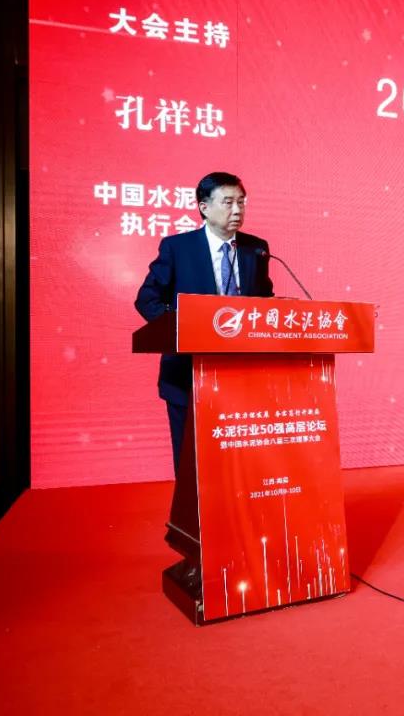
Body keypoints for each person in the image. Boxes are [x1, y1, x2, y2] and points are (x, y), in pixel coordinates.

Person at [135, 173, 274, 572]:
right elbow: (147, 299)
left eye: (241, 202)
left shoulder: (257, 250)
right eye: (228, 202)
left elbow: (264, 304)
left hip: (239, 380)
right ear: (203, 207)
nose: (237, 210)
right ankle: (197, 553)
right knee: (193, 470)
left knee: (237, 467)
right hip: (187, 377)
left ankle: (239, 546)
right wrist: (181, 326)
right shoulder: (177, 248)